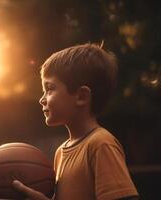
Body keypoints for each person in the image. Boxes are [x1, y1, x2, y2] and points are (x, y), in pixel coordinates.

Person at [13, 44, 139, 199]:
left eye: (50, 88)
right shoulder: (60, 153)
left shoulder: (101, 144)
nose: (41, 99)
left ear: (81, 97)